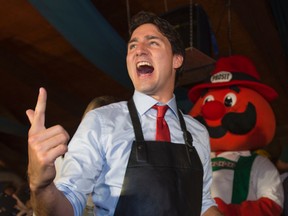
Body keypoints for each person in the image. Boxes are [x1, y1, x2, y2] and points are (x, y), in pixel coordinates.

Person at [26, 11, 222, 216]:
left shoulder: (197, 132)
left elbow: (203, 203)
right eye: (132, 45)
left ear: (177, 59)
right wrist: (41, 186)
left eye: (152, 42)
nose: (139, 50)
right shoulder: (101, 121)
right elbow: (67, 205)